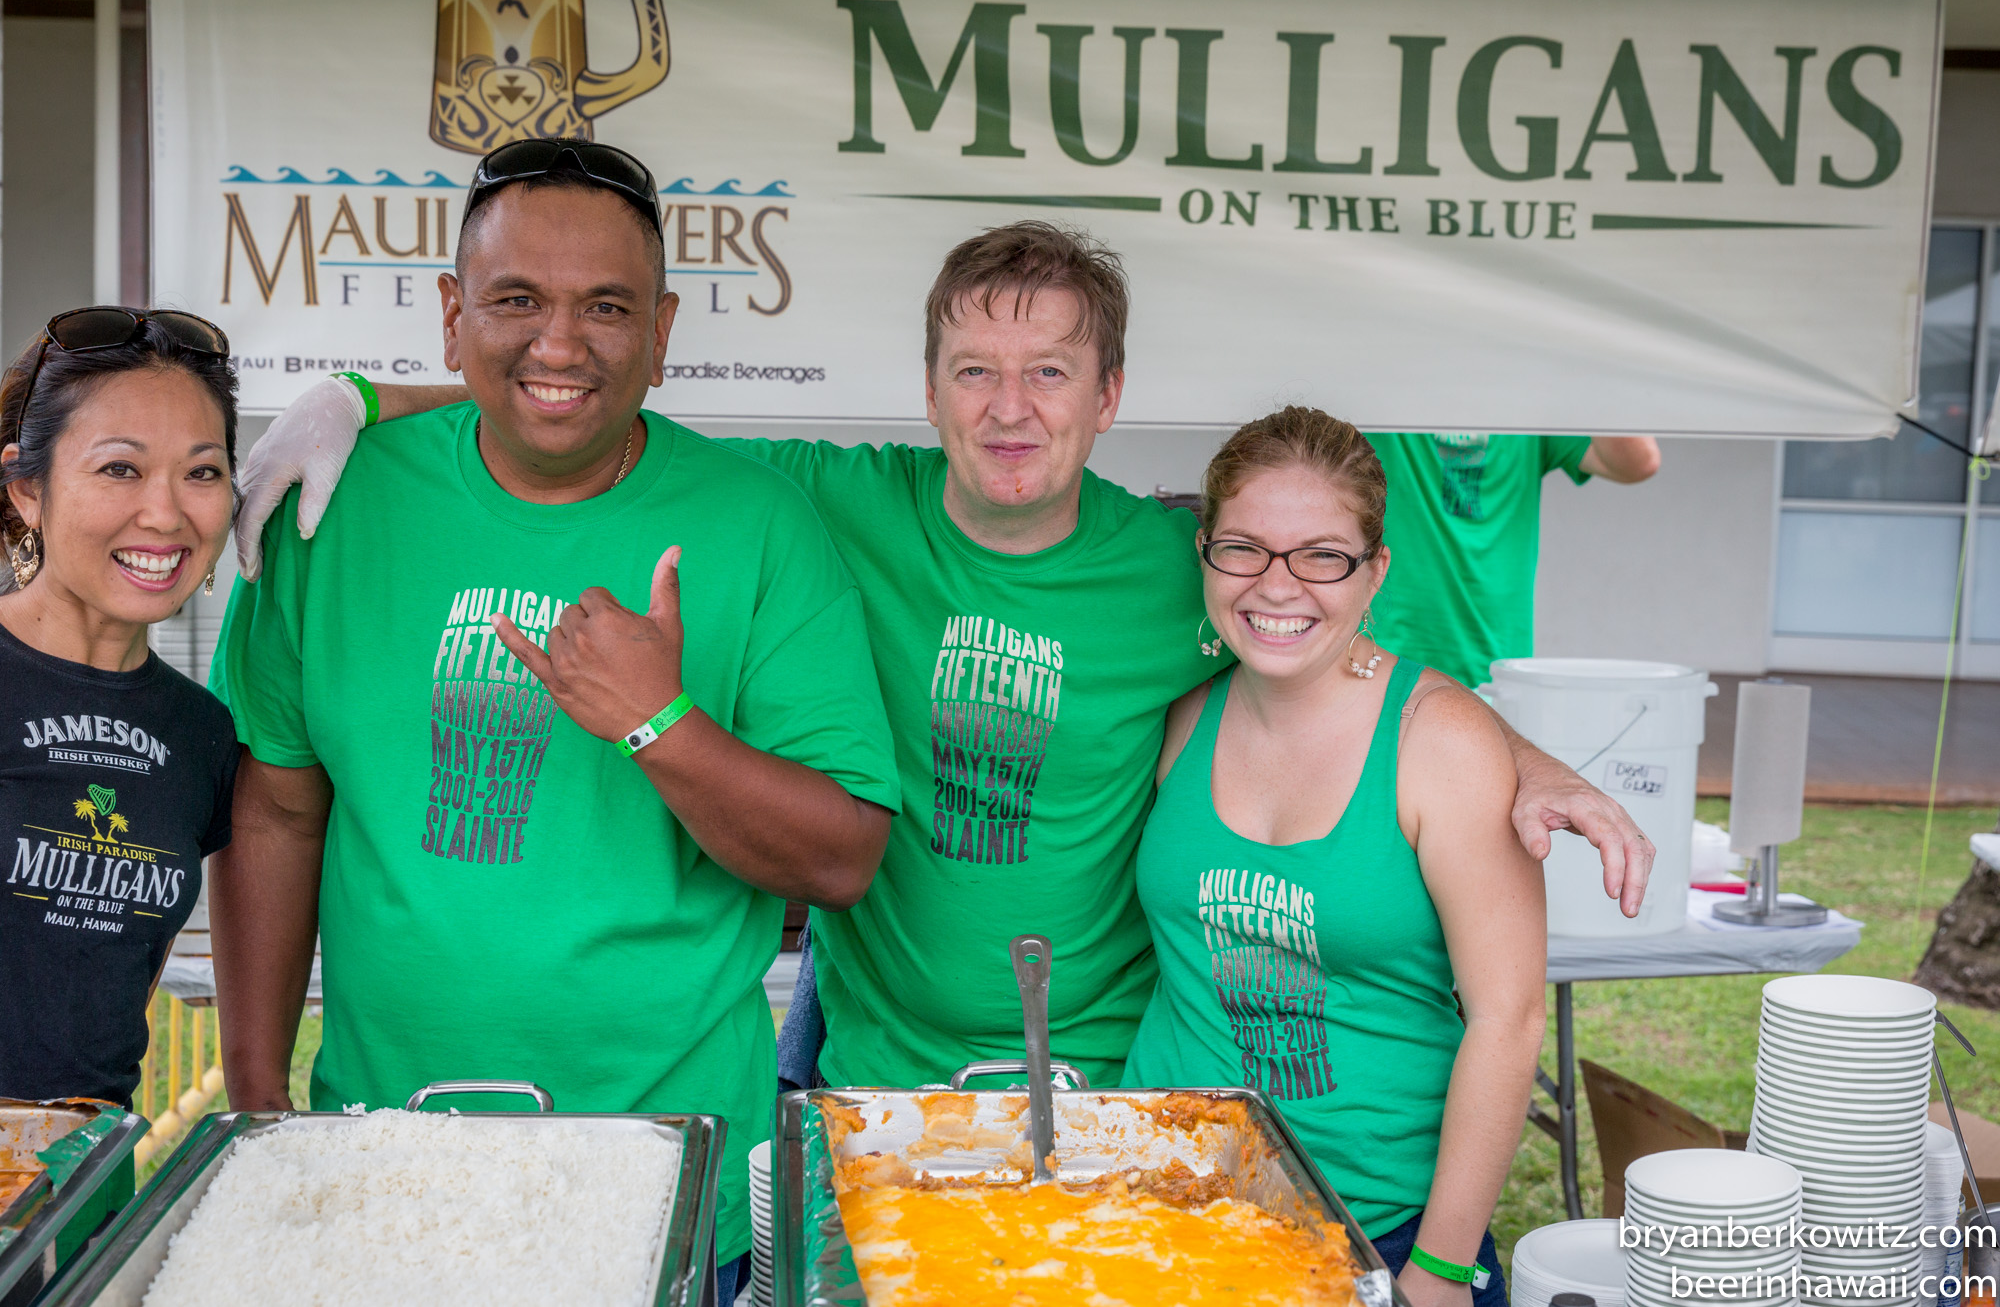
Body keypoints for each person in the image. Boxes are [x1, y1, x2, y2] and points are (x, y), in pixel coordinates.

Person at [230, 221, 1653, 1098]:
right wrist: (359, 395)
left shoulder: (1179, 564)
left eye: (1049, 374)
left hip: (1099, 1066)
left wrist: (1524, 763)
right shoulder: (828, 508)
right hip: (866, 1057)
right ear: (927, 391)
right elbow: (582, 396)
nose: (1009, 409)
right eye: (975, 371)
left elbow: (1346, 655)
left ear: (1108, 395)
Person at [206, 139, 898, 1304]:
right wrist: (257, 1091)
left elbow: (841, 859)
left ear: (662, 333)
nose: (560, 344)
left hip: (667, 1176)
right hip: (379, 1156)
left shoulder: (759, 522)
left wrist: (660, 723)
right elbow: (276, 809)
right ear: (451, 315)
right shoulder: (332, 506)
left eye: (606, 307)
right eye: (516, 300)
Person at [1125, 407, 1545, 1307]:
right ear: (1205, 553)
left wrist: (1440, 1267)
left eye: (1322, 555)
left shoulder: (1442, 741)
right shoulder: (1182, 716)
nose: (1278, 585)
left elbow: (1507, 1020)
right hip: (1167, 1213)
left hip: (1375, 1227)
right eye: (1244, 549)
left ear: (1375, 569)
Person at [0, 306, 241, 1263]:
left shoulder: (201, 735)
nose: (167, 514)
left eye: (203, 472)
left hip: (87, 1186)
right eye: (120, 469)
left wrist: (354, 399)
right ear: (25, 488)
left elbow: (112, 985)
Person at [1367, 432, 1660, 687]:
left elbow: (1638, 463)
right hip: (1384, 663)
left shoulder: (1531, 398)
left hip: (1498, 674)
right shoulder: (1390, 396)